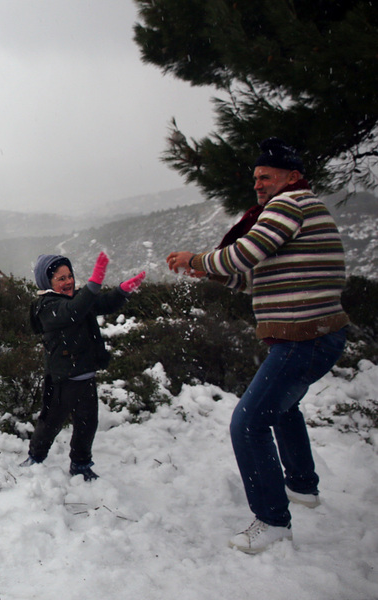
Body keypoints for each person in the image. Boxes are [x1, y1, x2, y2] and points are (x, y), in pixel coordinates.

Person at [166, 138, 349, 554]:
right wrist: (208, 273)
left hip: (305, 338)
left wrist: (196, 260)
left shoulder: (288, 205)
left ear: (292, 177)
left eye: (266, 176)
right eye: (255, 178)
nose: (259, 185)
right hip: (320, 335)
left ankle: (272, 521)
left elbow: (242, 255)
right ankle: (302, 487)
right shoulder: (306, 209)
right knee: (282, 408)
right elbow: (252, 275)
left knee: (247, 423)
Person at [21, 251, 145, 480]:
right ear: (47, 283)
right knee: (50, 422)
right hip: (61, 379)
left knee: (87, 424)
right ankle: (35, 457)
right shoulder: (47, 306)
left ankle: (80, 463)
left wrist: (123, 290)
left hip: (85, 375)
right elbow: (73, 312)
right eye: (61, 278)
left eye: (70, 276)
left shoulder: (77, 299)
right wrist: (95, 281)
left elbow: (103, 303)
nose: (68, 282)